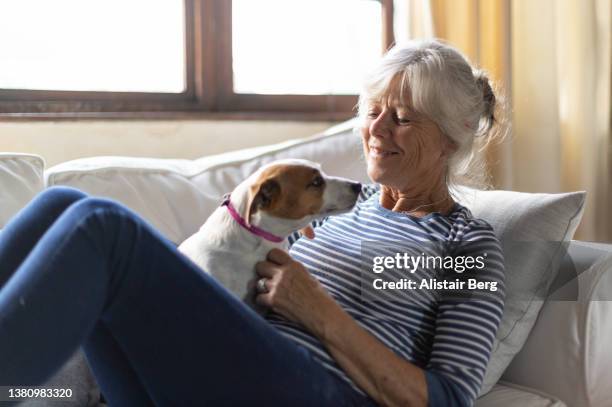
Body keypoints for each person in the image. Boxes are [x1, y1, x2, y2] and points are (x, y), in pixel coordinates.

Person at [0, 39, 505, 407]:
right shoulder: (340, 207)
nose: (375, 129)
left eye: (402, 117)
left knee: (101, 225)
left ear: (450, 138)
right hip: (217, 372)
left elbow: (447, 398)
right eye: (374, 109)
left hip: (314, 392)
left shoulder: (467, 246)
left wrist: (316, 310)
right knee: (62, 206)